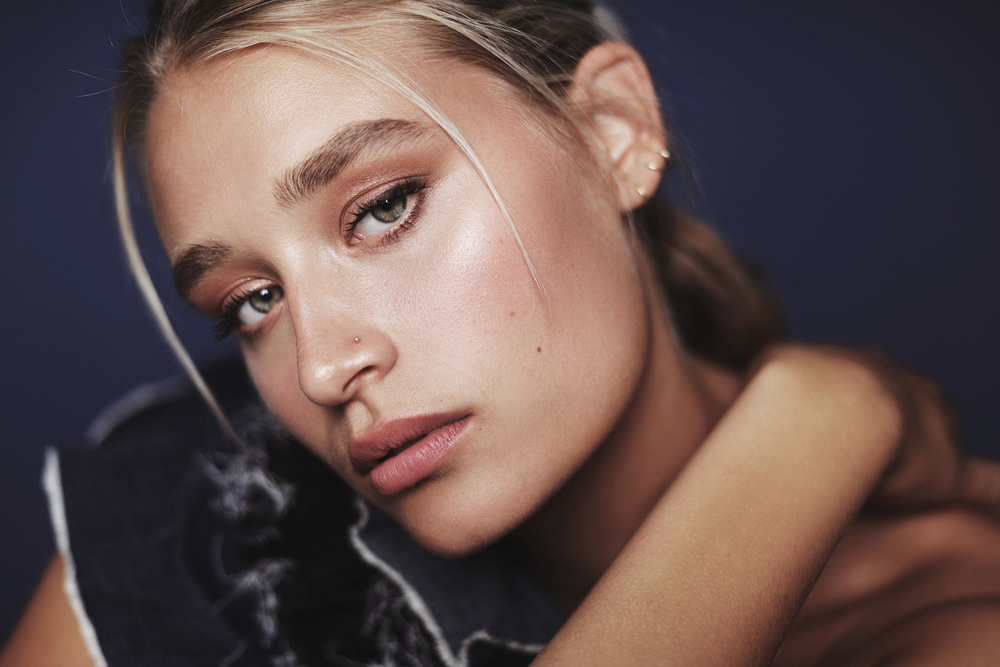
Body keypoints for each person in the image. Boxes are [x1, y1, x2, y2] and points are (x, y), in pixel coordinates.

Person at [3, 0, 999, 665]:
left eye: (384, 208)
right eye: (251, 301)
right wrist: (823, 416)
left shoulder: (951, 627)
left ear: (611, 130)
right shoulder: (207, 540)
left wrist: (810, 420)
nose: (322, 366)